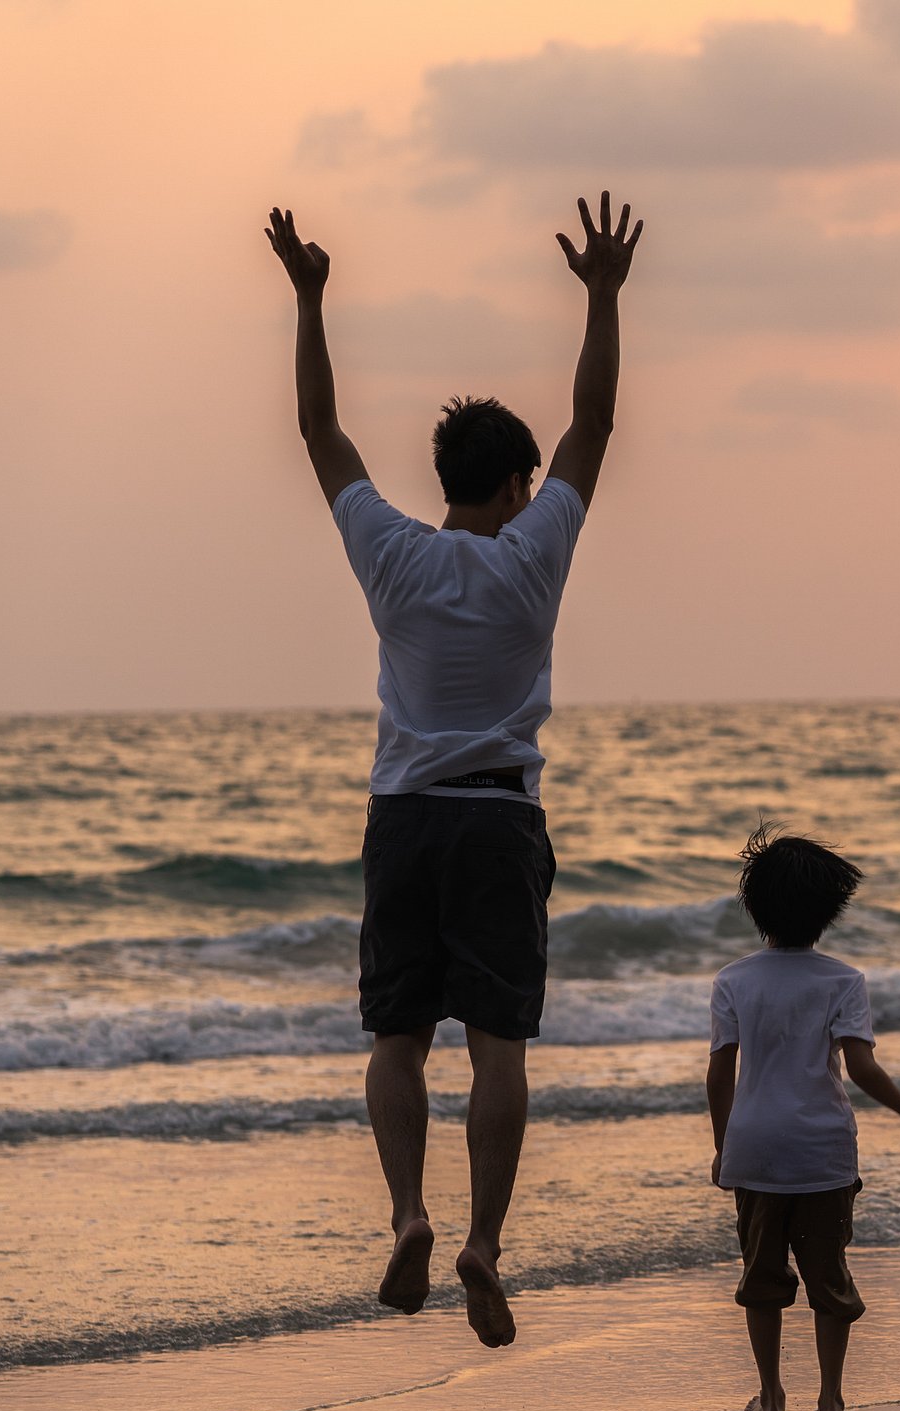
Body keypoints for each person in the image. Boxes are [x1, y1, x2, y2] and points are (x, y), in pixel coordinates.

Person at [263, 193, 642, 1347]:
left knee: (395, 1040)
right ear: (519, 483)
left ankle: (407, 1215)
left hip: (404, 819)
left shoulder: (391, 553)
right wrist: (604, 295)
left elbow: (319, 433)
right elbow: (596, 422)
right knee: (497, 1050)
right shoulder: (535, 554)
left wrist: (311, 296)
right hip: (497, 820)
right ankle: (482, 1240)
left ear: (442, 479)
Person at [709, 829, 900, 1411]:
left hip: (756, 1149)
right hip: (822, 1151)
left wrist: (723, 1146)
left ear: (755, 906)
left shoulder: (733, 980)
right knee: (829, 1279)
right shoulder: (843, 980)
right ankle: (832, 1402)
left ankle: (771, 1398)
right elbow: (861, 1067)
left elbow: (720, 1073)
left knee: (761, 1280)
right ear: (830, 911)